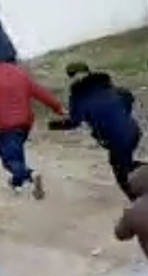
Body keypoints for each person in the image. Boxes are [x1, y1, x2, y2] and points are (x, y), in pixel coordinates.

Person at [48, 63, 141, 199]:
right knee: (124, 163)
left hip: (114, 138)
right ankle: (146, 184)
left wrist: (52, 125)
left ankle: (142, 202)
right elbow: (128, 97)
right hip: (133, 130)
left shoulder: (78, 97)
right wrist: (121, 115)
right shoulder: (106, 85)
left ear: (71, 77)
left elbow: (74, 122)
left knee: (122, 174)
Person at [0, 58, 63, 199]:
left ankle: (31, 175)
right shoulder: (19, 73)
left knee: (10, 160)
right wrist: (58, 108)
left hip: (4, 126)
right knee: (15, 153)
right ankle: (17, 184)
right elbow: (40, 92)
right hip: (23, 124)